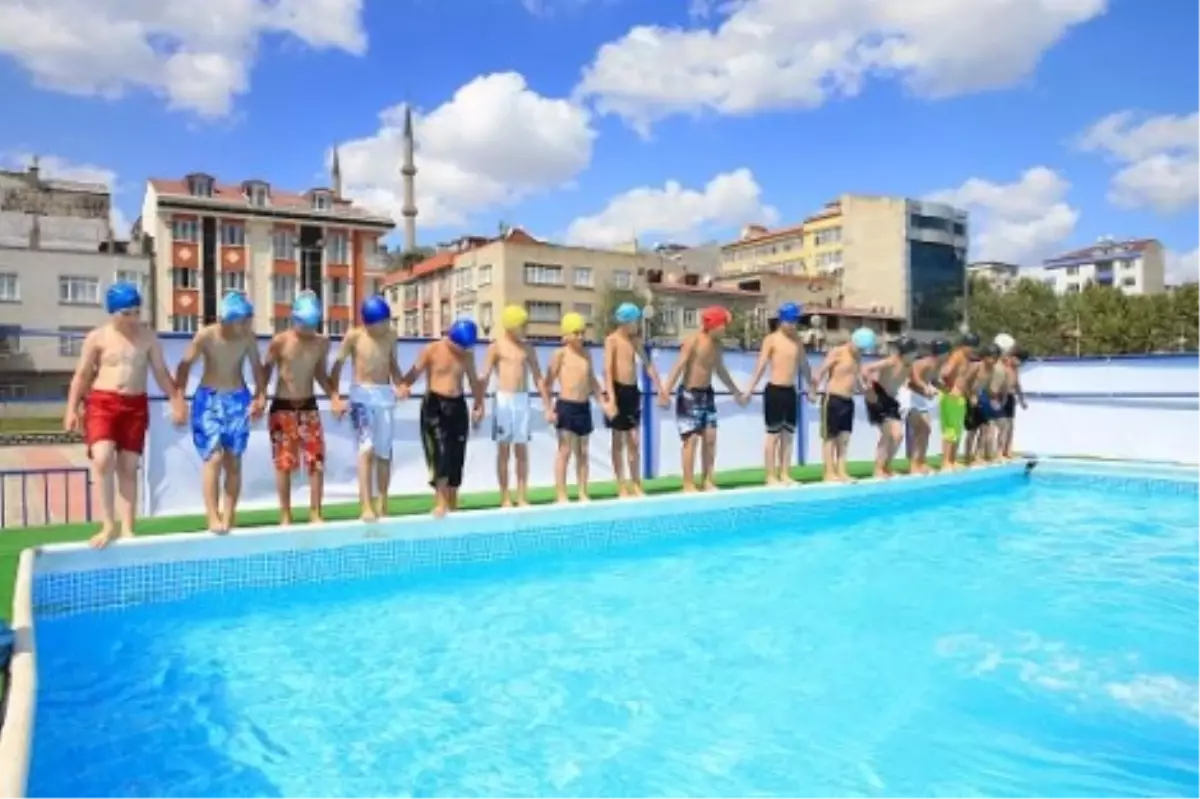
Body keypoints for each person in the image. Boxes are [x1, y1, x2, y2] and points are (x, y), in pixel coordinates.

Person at [63, 281, 186, 548]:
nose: (132, 319)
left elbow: (161, 373)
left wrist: (177, 400)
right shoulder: (97, 338)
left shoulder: (147, 337)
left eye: (136, 312)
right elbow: (82, 375)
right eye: (126, 313)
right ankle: (108, 525)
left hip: (135, 405)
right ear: (113, 312)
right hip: (102, 403)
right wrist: (71, 408)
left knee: (129, 468)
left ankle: (128, 528)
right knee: (103, 458)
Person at [173, 291, 266, 533]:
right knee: (213, 458)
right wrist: (179, 399)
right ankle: (212, 516)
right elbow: (183, 366)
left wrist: (260, 396)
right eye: (243, 320)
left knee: (233, 462)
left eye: (249, 320)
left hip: (237, 401)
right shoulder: (206, 336)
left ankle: (229, 515)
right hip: (209, 399)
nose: (247, 325)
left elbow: (257, 369)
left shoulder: (247, 338)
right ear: (228, 320)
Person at [264, 291, 345, 525]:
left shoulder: (322, 343)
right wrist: (260, 395)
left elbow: (320, 374)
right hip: (283, 407)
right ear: (294, 319)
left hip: (308, 406)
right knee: (284, 463)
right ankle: (285, 514)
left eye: (311, 324)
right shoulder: (280, 341)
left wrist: (334, 396)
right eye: (303, 323)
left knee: (316, 461)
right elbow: (266, 370)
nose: (307, 329)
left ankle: (315, 512)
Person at [397, 319, 485, 517]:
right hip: (435, 405)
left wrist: (479, 404)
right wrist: (403, 385)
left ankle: (452, 502)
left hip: (458, 405)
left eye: (465, 348)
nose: (461, 351)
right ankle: (440, 502)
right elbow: (414, 373)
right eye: (459, 347)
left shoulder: (467, 355)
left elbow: (473, 381)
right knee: (440, 453)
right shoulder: (432, 350)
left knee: (456, 455)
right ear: (451, 339)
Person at [659, 306, 750, 492]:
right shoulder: (693, 341)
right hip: (689, 395)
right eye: (723, 325)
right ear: (713, 325)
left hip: (707, 394)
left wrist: (735, 391)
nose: (725, 329)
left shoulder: (717, 345)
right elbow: (679, 365)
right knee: (691, 440)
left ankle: (708, 480)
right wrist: (665, 391)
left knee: (710, 438)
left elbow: (720, 370)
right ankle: (688, 483)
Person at [330, 295, 403, 521]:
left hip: (384, 395)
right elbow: (337, 367)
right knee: (366, 448)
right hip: (361, 395)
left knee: (384, 453)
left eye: (387, 322)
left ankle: (383, 503)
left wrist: (400, 384)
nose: (385, 327)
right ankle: (366, 506)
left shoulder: (391, 336)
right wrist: (335, 397)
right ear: (369, 323)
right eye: (381, 323)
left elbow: (392, 363)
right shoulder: (354, 336)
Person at [481, 305, 552, 507]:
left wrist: (548, 406)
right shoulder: (496, 347)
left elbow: (538, 378)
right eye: (523, 325)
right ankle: (505, 496)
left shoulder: (527, 348)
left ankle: (521, 496)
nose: (526, 329)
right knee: (503, 451)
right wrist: (478, 404)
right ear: (511, 326)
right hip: (503, 400)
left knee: (521, 451)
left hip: (522, 400)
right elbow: (484, 376)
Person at [543, 312, 614, 503]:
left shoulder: (587, 354)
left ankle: (583, 492)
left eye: (582, 332)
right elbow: (547, 384)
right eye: (576, 333)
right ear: (566, 335)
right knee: (564, 451)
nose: (581, 337)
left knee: (583, 453)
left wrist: (603, 403)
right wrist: (548, 409)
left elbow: (592, 382)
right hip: (566, 406)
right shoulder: (559, 354)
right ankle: (561, 494)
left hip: (583, 407)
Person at [744, 301, 816, 485]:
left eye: (795, 322)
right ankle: (770, 475)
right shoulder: (772, 339)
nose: (793, 325)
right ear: (781, 320)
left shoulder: (797, 341)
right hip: (774, 390)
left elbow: (804, 366)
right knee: (773, 435)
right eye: (790, 321)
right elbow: (760, 365)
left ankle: (784, 473)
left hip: (790, 392)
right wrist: (750, 388)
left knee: (788, 435)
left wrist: (811, 387)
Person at [602, 302, 666, 498]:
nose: (637, 325)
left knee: (634, 442)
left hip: (631, 392)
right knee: (618, 441)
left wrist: (661, 389)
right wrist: (611, 399)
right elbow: (608, 370)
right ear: (626, 322)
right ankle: (621, 484)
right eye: (635, 321)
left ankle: (636, 483)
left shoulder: (635, 341)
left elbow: (648, 366)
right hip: (617, 390)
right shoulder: (612, 340)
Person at [814, 326, 875, 482]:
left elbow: (858, 379)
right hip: (833, 398)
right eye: (860, 348)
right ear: (853, 341)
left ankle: (842, 472)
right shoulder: (838, 352)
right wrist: (813, 390)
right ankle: (829, 473)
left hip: (848, 401)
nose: (861, 351)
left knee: (844, 439)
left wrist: (866, 390)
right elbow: (820, 371)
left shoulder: (857, 357)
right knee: (830, 438)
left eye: (864, 349)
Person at [863, 335, 918, 478]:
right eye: (914, 352)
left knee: (898, 436)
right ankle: (877, 469)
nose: (916, 354)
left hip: (891, 401)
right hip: (878, 396)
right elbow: (867, 368)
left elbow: (912, 382)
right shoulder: (892, 361)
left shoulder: (909, 365)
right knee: (887, 434)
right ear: (906, 352)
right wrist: (868, 384)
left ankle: (886, 466)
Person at [905, 338, 951, 474]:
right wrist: (925, 387)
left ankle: (921, 462)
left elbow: (933, 380)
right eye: (948, 353)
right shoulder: (924, 362)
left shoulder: (937, 365)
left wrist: (945, 389)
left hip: (921, 399)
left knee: (925, 430)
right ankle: (914, 465)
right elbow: (914, 378)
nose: (949, 356)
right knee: (918, 431)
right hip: (911, 398)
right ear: (943, 353)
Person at [937, 332, 979, 471]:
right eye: (971, 346)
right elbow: (944, 373)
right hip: (951, 398)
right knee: (950, 431)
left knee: (957, 431)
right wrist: (949, 390)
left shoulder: (966, 359)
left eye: (974, 347)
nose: (973, 349)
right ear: (964, 345)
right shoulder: (957, 356)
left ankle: (952, 460)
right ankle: (945, 462)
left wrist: (969, 396)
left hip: (959, 398)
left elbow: (963, 381)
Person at [963, 342, 1003, 465]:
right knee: (972, 430)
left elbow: (987, 388)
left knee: (984, 429)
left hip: (981, 398)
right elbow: (965, 383)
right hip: (970, 399)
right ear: (985, 356)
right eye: (992, 357)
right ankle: (968, 457)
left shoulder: (993, 369)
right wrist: (970, 397)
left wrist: (993, 399)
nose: (994, 359)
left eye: (996, 357)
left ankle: (978, 455)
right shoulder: (976, 367)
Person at [997, 346, 1029, 460]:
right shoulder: (1003, 365)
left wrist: (1021, 400)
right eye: (1020, 361)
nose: (1021, 364)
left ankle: (1007, 450)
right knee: (1003, 426)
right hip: (1000, 397)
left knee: (1010, 426)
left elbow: (1017, 385)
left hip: (1010, 397)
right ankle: (999, 452)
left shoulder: (1015, 369)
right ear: (1013, 358)